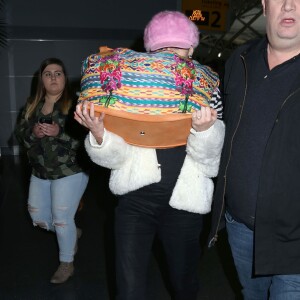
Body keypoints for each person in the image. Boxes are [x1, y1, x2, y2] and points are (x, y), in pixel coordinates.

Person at [75, 11, 225, 300]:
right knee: (129, 289)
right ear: (149, 53)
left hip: (185, 206)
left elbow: (211, 162)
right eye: (162, 48)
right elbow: (114, 158)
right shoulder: (130, 86)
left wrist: (206, 131)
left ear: (191, 50)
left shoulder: (207, 88)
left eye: (178, 47)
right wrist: (99, 134)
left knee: (184, 284)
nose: (170, 54)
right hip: (135, 203)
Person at [209, 0, 300, 299]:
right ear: (264, 6)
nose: (289, 5)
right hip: (240, 227)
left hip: (294, 238)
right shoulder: (241, 59)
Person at [15, 58, 89, 284]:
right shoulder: (31, 106)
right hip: (40, 172)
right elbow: (20, 136)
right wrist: (33, 134)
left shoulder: (76, 105)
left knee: (61, 219)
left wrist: (60, 133)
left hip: (71, 170)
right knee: (38, 218)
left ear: (65, 78)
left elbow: (88, 141)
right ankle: (71, 232)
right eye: (48, 74)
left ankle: (66, 263)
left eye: (58, 73)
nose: (54, 77)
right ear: (42, 80)